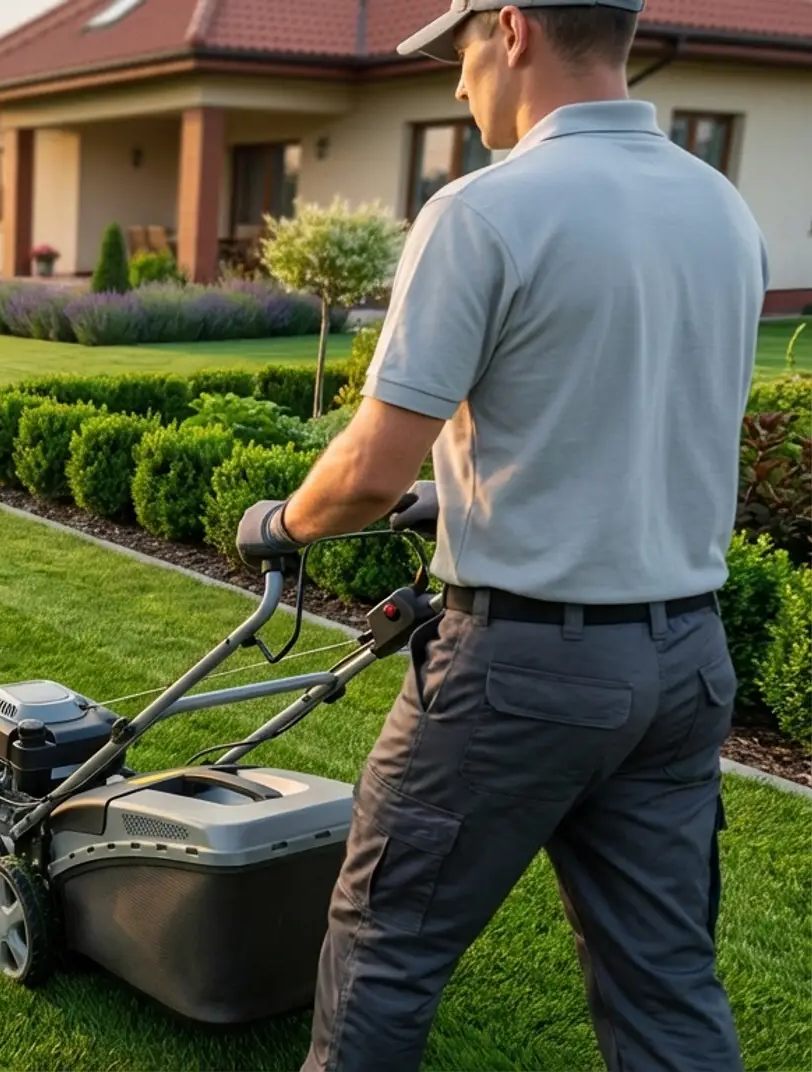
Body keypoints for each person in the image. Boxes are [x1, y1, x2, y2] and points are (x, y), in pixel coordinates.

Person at [233, 2, 766, 1069]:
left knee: (385, 946)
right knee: (666, 979)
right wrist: (472, 493)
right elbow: (628, 417)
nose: (456, 85)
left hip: (521, 674)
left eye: (461, 52)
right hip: (684, 668)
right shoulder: (722, 209)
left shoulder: (483, 210)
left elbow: (371, 466)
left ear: (512, 29)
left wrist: (282, 521)